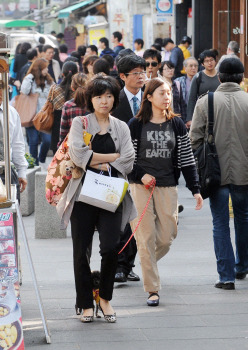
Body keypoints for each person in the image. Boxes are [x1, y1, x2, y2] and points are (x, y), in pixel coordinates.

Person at [56, 75, 137, 323]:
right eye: (100, 96)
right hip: (83, 196)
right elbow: (79, 156)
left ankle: (104, 298)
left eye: (110, 96)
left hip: (111, 196)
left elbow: (129, 160)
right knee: (81, 251)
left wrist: (98, 159)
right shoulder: (81, 123)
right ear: (91, 99)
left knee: (111, 248)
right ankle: (84, 303)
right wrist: (111, 156)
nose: (105, 101)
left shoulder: (121, 126)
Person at [189, 58, 248, 290]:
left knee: (220, 222)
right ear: (242, 78)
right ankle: (242, 265)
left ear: (220, 77)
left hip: (214, 173)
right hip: (245, 171)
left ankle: (226, 276)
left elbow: (194, 137)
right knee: (243, 217)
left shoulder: (206, 102)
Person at [128, 78, 203, 306]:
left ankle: (145, 260)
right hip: (141, 187)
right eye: (162, 93)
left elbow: (187, 159)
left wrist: (195, 189)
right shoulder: (136, 124)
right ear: (149, 97)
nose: (167, 97)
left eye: (169, 92)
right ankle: (152, 290)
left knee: (167, 236)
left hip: (168, 185)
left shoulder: (177, 124)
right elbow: (127, 159)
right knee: (146, 237)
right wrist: (142, 175)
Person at [111, 54, 146, 282]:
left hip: (147, 169)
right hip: (119, 168)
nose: (141, 76)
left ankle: (128, 265)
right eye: (136, 73)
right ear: (123, 76)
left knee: (139, 220)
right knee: (123, 219)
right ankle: (121, 266)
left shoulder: (151, 98)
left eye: (143, 72)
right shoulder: (114, 100)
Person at [20, 59, 54, 167]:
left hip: (44, 115)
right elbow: (24, 91)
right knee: (33, 141)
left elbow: (54, 92)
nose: (47, 70)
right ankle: (34, 163)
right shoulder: (30, 79)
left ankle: (41, 158)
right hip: (31, 114)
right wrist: (29, 77)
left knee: (47, 140)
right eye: (45, 67)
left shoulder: (48, 80)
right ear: (39, 68)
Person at [48, 62, 78, 154]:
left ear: (63, 74)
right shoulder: (79, 90)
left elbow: (50, 103)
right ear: (76, 73)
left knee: (58, 160)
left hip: (57, 128)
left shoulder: (54, 89)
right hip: (76, 127)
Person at [186, 50, 221, 127]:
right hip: (202, 114)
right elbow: (191, 99)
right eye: (206, 61)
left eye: (212, 60)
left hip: (220, 113)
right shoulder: (198, 77)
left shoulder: (221, 76)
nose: (210, 63)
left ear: (215, 61)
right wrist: (189, 119)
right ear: (202, 64)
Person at [58, 73, 90, 147]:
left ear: (72, 87)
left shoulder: (68, 105)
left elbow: (63, 130)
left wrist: (61, 145)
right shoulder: (93, 103)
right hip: (91, 146)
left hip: (73, 145)